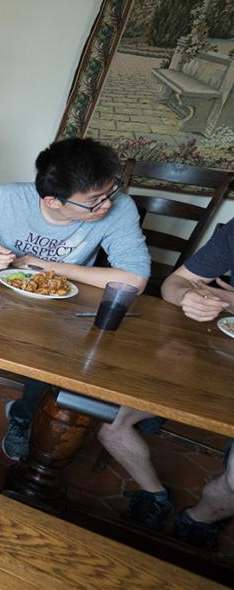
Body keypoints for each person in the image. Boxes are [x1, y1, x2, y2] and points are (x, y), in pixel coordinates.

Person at [0, 137, 150, 459]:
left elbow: (134, 279)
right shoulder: (11, 197)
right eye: (95, 201)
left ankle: (24, 418)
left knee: (54, 362)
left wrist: (51, 267)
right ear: (54, 200)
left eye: (110, 191)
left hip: (61, 305)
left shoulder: (119, 207)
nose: (107, 205)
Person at [96, 219, 234, 547]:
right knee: (110, 422)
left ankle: (202, 517)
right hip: (213, 354)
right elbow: (176, 282)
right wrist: (190, 296)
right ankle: (154, 493)